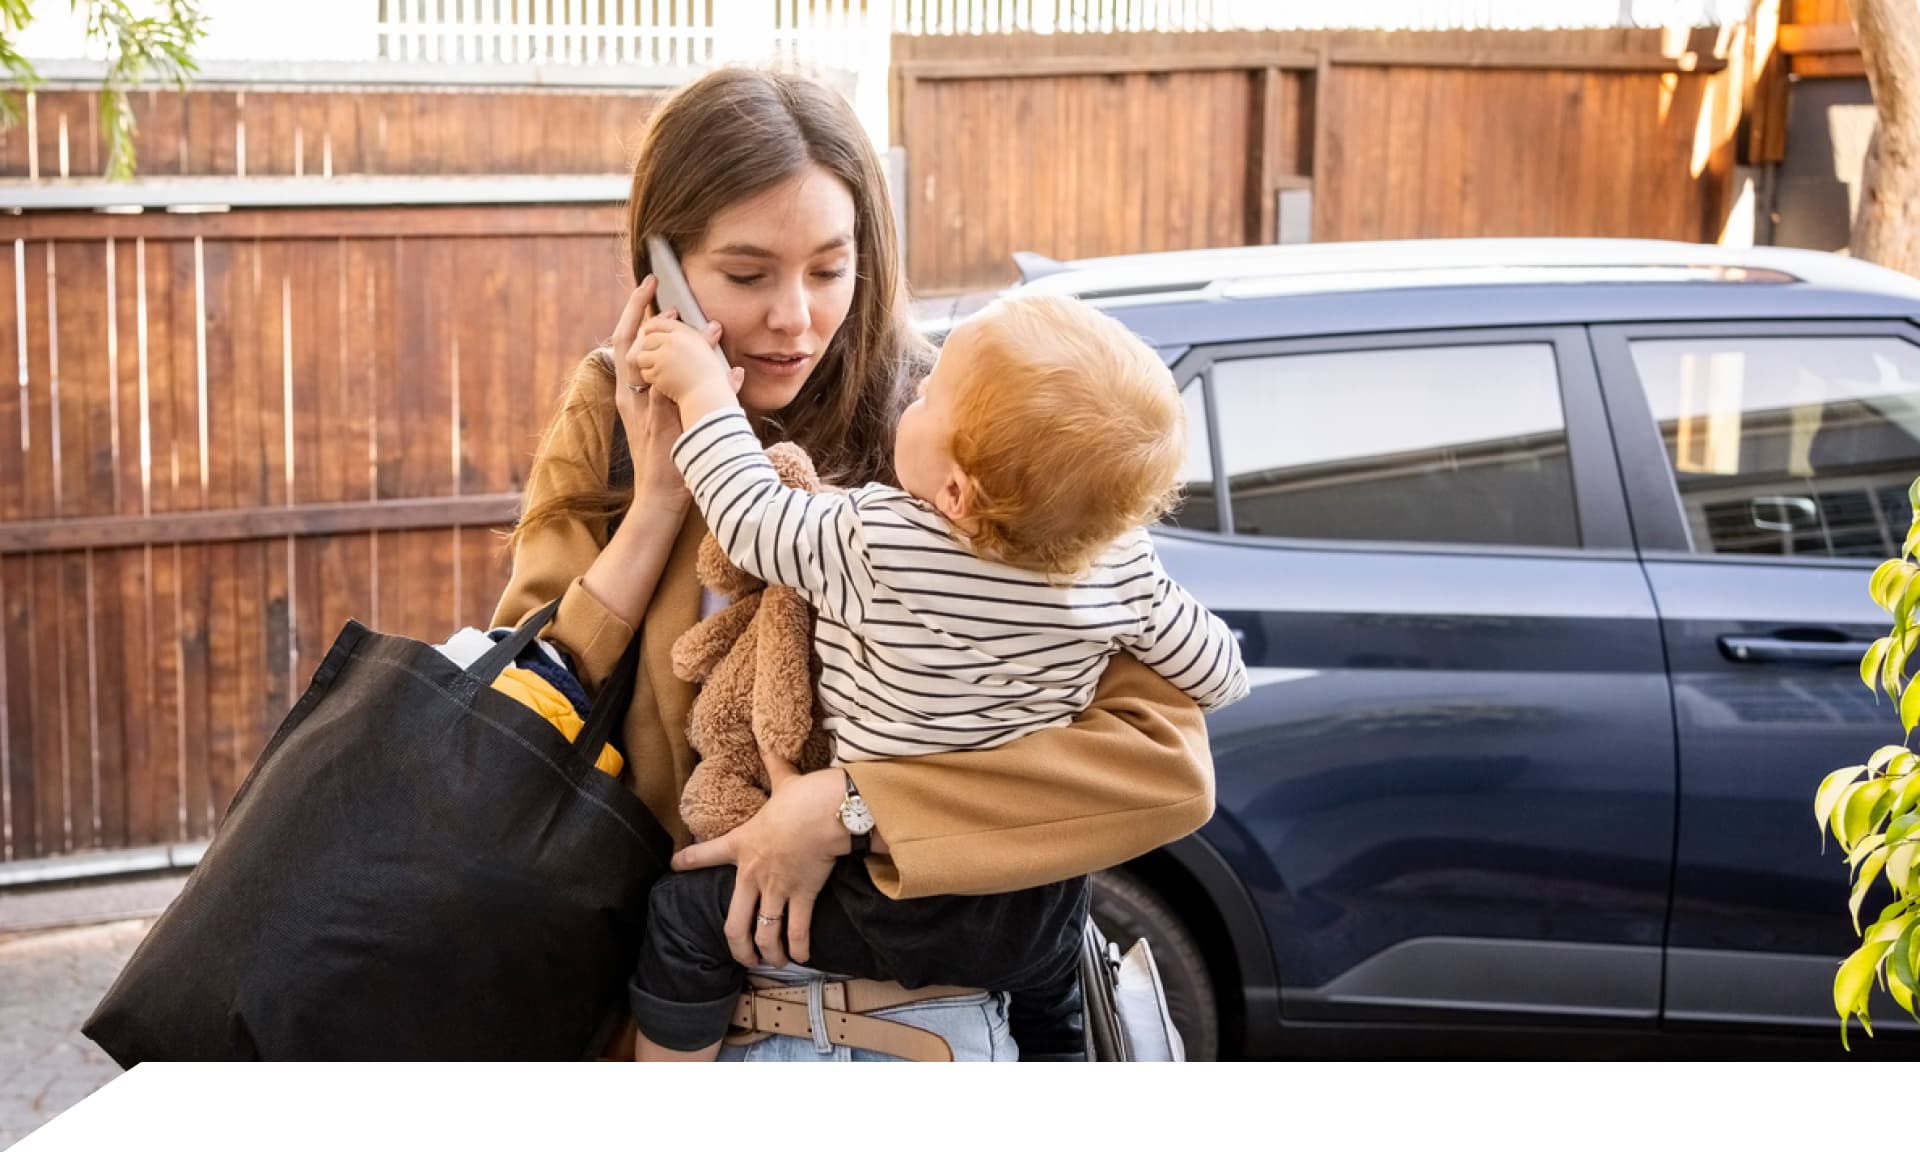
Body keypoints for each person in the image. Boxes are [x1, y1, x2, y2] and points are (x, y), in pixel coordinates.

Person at [492, 65, 1216, 1062]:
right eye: (748, 277)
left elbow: (1161, 762)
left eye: (829, 271)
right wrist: (659, 499)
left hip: (926, 1023)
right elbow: (522, 719)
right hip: (667, 1017)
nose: (794, 317)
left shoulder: (959, 428)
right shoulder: (610, 415)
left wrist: (850, 806)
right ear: (659, 268)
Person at [623, 291, 1249, 1060]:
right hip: (1019, 911)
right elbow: (1218, 675)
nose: (912, 394)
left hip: (874, 889)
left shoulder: (880, 542)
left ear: (956, 494)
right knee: (1057, 962)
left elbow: (751, 519)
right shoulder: (1123, 576)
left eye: (927, 398)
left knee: (685, 914)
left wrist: (703, 392)